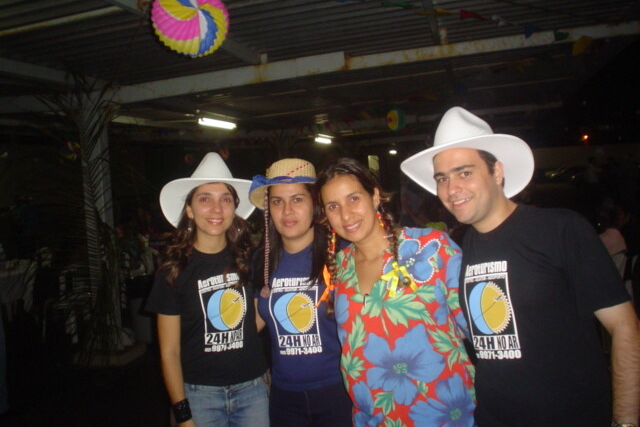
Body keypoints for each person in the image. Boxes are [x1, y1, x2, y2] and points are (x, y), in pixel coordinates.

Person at [401, 106, 640, 427]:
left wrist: (625, 421)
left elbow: (625, 328)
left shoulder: (560, 229)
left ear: (497, 172)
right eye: (442, 178)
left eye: (464, 173)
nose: (450, 189)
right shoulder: (461, 245)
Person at [316, 157, 475, 427]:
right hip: (370, 417)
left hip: (442, 416)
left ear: (375, 196)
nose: (345, 215)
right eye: (333, 206)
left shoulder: (431, 248)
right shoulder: (338, 267)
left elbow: (479, 334)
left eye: (354, 199)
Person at [146, 153, 269, 427]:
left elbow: (249, 324)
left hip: (253, 391)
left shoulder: (250, 261)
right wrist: (182, 414)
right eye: (205, 199)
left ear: (234, 209)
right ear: (189, 210)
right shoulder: (173, 270)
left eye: (225, 199)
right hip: (199, 395)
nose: (216, 209)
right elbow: (169, 352)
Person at [249, 158, 352, 427]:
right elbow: (252, 323)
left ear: (314, 204)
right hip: (284, 396)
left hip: (338, 390)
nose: (287, 211)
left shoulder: (340, 255)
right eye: (277, 202)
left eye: (297, 199)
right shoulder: (262, 261)